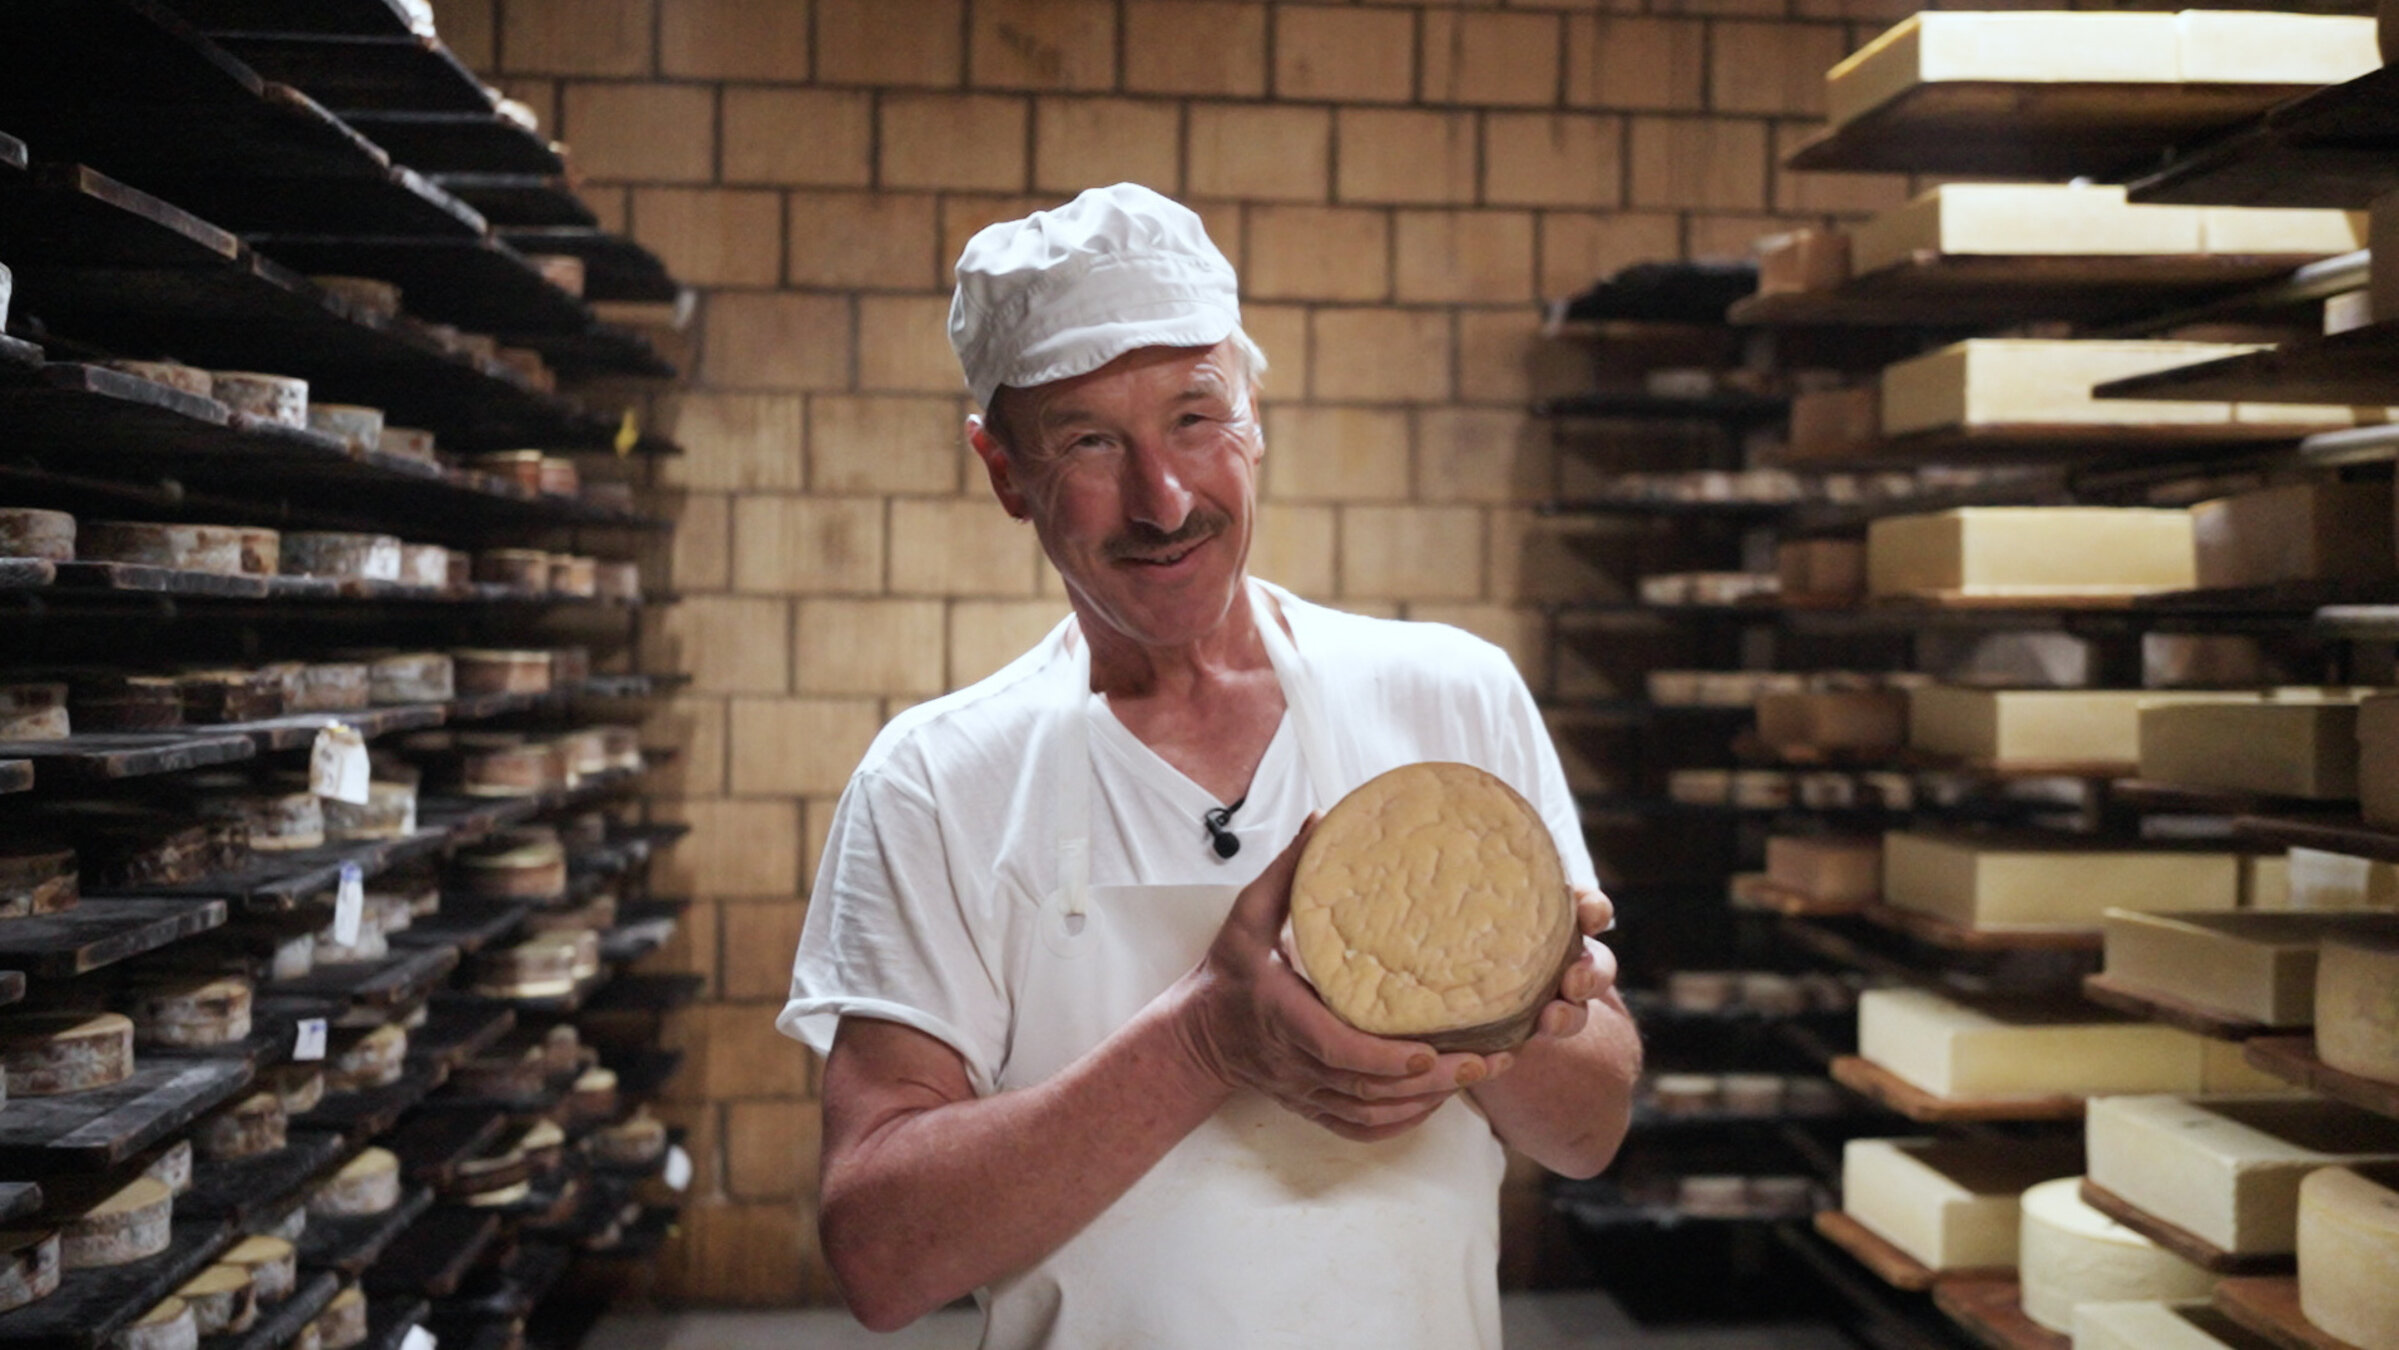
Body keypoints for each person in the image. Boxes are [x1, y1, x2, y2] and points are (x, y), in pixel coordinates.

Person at [779, 183, 1642, 1349]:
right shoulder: (937, 782)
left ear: (1254, 408)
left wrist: (1479, 1007)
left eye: (1196, 417)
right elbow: (880, 1257)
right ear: (1003, 472)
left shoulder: (1449, 700)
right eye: (1090, 440)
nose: (1164, 498)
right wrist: (1203, 1042)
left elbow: (1587, 1135)